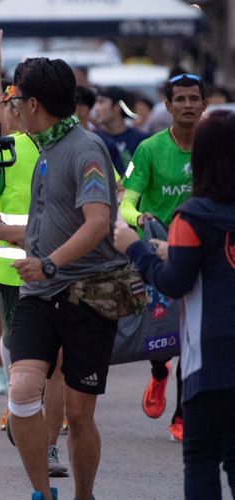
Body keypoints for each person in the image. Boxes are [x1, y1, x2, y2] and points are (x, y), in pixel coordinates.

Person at [0, 57, 125, 500]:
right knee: (22, 393)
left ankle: (84, 495)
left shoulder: (85, 149)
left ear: (34, 103)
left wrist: (48, 262)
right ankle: (43, 493)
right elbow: (54, 225)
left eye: (14, 98)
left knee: (79, 414)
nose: (10, 107)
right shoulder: (41, 148)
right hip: (39, 295)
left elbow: (98, 222)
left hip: (90, 293)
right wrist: (5, 231)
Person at [114, 110, 235, 500]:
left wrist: (134, 248)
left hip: (211, 358)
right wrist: (176, 252)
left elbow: (174, 283)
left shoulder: (193, 215)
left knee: (200, 459)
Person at [0, 29, 68, 478]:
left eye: (21, 99)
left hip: (62, 269)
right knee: (25, 360)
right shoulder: (7, 148)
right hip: (11, 269)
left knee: (55, 363)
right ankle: (22, 412)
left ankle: (50, 444)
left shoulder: (73, 146)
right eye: (12, 101)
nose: (14, 108)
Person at [119, 73, 208, 442]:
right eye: (180, 99)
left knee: (193, 334)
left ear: (205, 104)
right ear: (167, 106)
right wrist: (138, 218)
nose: (188, 105)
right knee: (162, 334)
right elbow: (126, 201)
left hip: (203, 252)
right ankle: (158, 373)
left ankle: (182, 414)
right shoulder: (150, 149)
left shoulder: (216, 145)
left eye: (194, 99)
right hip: (159, 255)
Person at [92, 86, 150, 175]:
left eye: (101, 102)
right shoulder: (94, 139)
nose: (96, 108)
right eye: (96, 102)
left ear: (117, 107)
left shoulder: (141, 140)